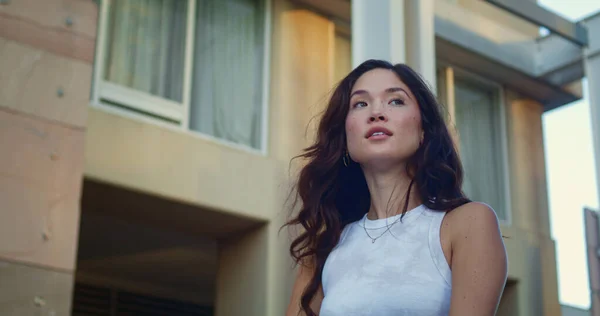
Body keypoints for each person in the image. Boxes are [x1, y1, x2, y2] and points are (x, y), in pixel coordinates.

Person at [284, 59, 508, 316]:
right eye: (360, 104)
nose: (376, 113)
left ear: (423, 130)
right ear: (345, 139)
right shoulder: (326, 249)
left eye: (396, 101)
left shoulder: (467, 224)